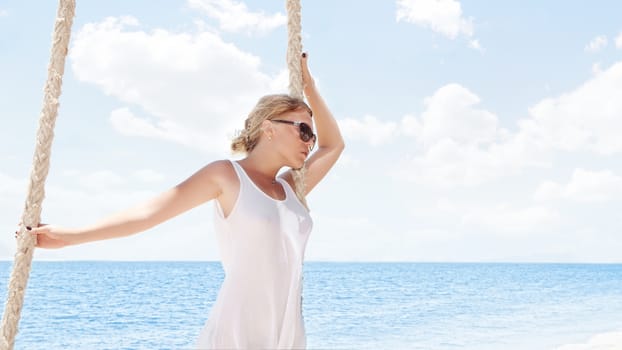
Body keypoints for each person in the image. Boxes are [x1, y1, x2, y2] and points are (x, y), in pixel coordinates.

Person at [24, 52, 345, 349]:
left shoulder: (291, 189)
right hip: (235, 335)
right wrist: (70, 236)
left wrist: (310, 88)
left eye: (311, 135)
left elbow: (334, 146)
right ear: (269, 128)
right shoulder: (227, 176)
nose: (310, 142)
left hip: (288, 338)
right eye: (304, 130)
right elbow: (149, 213)